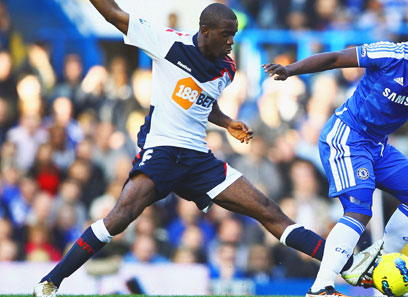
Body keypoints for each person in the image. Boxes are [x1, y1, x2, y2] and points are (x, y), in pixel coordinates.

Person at [33, 2, 375, 296]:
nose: (231, 41)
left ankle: (344, 265)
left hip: (198, 158)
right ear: (205, 30)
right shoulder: (167, 43)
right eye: (226, 34)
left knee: (267, 209)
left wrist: (227, 123)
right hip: (164, 151)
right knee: (119, 218)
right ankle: (50, 282)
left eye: (235, 34)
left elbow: (201, 102)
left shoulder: (226, 67)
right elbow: (112, 13)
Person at [263, 13, 408, 297]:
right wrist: (291, 70)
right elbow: (336, 59)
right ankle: (321, 288)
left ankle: (377, 263)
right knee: (360, 209)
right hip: (347, 136)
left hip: (377, 145)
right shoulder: (389, 53)